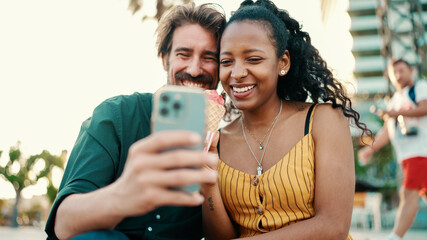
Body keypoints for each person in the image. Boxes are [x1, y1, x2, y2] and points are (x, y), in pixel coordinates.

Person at [44, 3, 225, 240]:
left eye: (208, 57)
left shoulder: (225, 148)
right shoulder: (116, 116)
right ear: (164, 60)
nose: (194, 69)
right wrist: (124, 195)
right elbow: (64, 224)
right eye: (184, 54)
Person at [201, 0, 370, 239]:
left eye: (253, 59)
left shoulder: (323, 121)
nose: (236, 73)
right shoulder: (217, 142)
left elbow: (333, 227)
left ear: (283, 63)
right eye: (227, 62)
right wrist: (208, 184)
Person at [359, 58, 427, 240]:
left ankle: (395, 237)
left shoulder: (420, 87)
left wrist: (395, 113)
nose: (398, 75)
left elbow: (424, 108)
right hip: (406, 156)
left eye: (402, 70)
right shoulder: (395, 99)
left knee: (408, 192)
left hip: (420, 152)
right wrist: (370, 149)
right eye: (394, 72)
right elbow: (386, 132)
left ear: (411, 71)